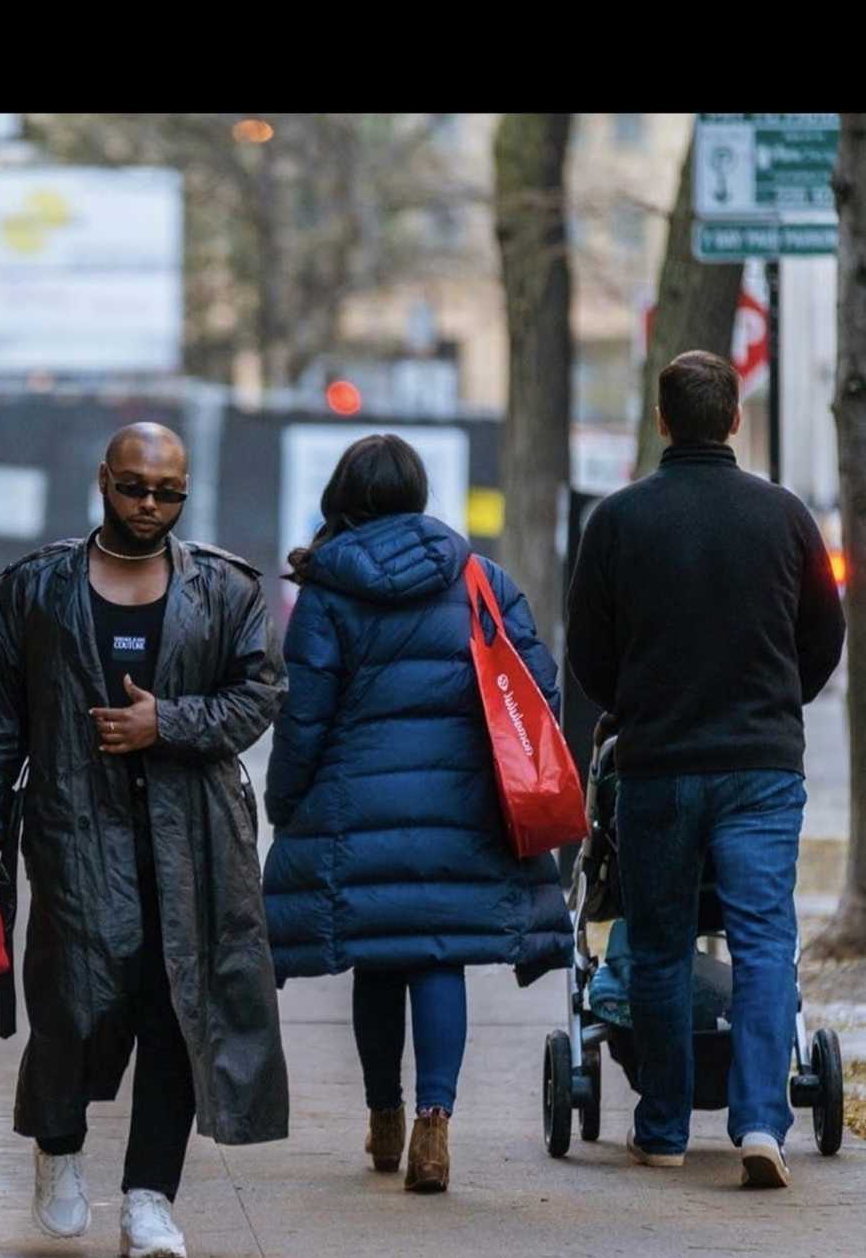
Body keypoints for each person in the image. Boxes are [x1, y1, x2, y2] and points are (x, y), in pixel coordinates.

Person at [0, 422, 289, 1258]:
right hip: (73, 828)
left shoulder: (224, 589)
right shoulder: (35, 588)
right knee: (73, 1002)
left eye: (168, 492)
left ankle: (149, 1197)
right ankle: (60, 1146)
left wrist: (164, 721)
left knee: (177, 1013)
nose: (150, 505)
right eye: (135, 487)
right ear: (105, 480)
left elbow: (258, 697)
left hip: (195, 838)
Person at [262, 434, 574, 1193]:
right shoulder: (481, 579)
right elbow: (540, 694)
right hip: (461, 809)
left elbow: (304, 718)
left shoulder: (327, 596)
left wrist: (285, 801)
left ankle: (384, 1116)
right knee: (438, 958)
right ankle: (437, 1124)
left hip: (357, 808)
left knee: (379, 959)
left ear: (345, 496)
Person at [566, 351, 846, 1187]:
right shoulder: (785, 517)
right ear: (732, 420)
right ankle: (762, 1123)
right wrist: (778, 702)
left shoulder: (616, 521)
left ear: (662, 420)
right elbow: (824, 635)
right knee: (765, 942)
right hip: (760, 764)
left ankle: (662, 1127)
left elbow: (589, 653)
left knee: (656, 944)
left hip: (657, 766)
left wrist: (637, 707)